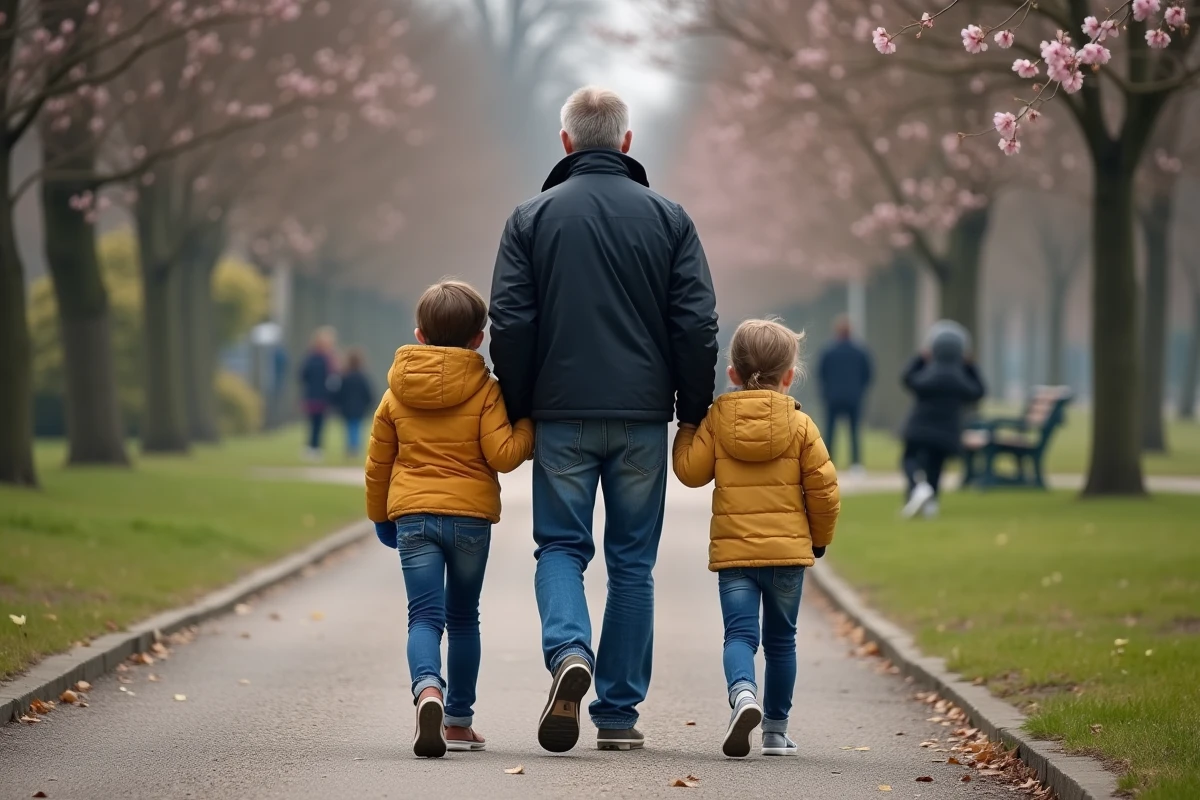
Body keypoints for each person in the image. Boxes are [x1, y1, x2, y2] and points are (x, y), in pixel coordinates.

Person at [489, 86, 719, 753]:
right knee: (632, 563)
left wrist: (520, 404)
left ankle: (568, 652)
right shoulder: (670, 219)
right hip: (643, 417)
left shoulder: (530, 219)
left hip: (561, 413)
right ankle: (617, 715)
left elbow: (511, 321)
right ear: (625, 141)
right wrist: (692, 412)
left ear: (566, 142)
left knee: (560, 546)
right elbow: (696, 324)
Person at [365, 280, 534, 758]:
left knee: (423, 616)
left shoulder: (395, 394)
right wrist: (527, 426)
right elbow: (502, 456)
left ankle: (427, 691)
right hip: (468, 521)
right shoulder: (485, 391)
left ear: (419, 335)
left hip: (413, 518)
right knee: (463, 618)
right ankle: (458, 722)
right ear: (479, 338)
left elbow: (378, 464)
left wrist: (381, 517)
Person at [673, 318, 840, 758]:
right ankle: (775, 732)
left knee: (740, 637)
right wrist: (817, 541)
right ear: (789, 376)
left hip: (735, 557)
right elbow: (824, 491)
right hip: (787, 556)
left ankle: (743, 694)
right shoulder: (801, 426)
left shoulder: (717, 421)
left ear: (732, 374)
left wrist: (689, 426)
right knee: (782, 641)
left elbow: (690, 472)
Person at [900, 320, 986, 519]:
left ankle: (917, 487)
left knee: (908, 459)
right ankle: (932, 502)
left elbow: (907, 378)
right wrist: (971, 365)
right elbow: (979, 391)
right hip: (947, 432)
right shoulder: (960, 379)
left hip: (919, 428)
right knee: (936, 466)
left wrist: (921, 358)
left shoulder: (928, 375)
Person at [817, 315, 872, 475]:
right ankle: (856, 465)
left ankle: (827, 463)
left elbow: (821, 374)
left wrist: (826, 393)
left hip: (832, 398)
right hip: (854, 398)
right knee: (854, 431)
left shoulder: (828, 351)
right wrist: (860, 391)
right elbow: (868, 374)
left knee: (830, 431)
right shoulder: (860, 351)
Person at [299, 326, 338, 460]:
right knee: (315, 423)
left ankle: (314, 447)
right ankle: (313, 447)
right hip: (317, 395)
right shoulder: (323, 358)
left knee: (317, 423)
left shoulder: (316, 358)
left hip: (319, 395)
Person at [335, 347, 373, 459]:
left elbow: (339, 393)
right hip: (359, 408)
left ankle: (351, 448)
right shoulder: (363, 377)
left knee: (349, 427)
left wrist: (338, 404)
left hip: (347, 408)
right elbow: (368, 393)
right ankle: (354, 448)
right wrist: (368, 404)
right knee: (356, 427)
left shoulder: (344, 377)